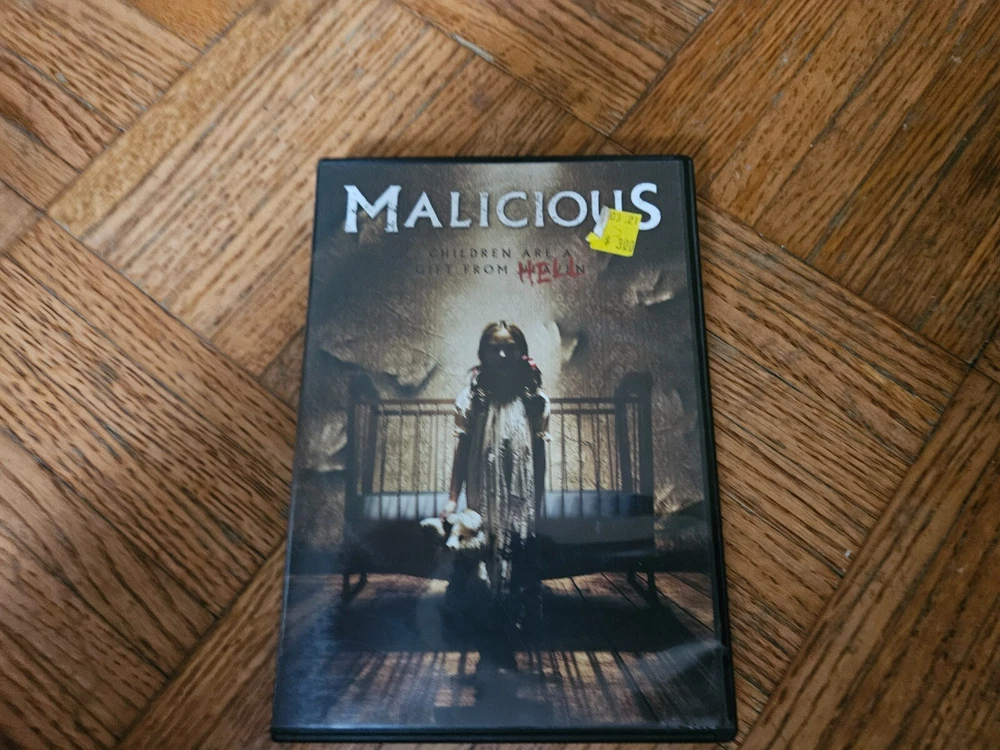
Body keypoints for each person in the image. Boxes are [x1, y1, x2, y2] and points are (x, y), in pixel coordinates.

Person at [440, 321, 550, 635]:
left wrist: (538, 500)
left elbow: (538, 455)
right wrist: (452, 498)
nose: (502, 355)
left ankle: (515, 611)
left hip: (519, 485)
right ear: (483, 353)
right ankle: (476, 609)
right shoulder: (471, 398)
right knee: (480, 538)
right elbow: (462, 451)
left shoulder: (535, 399)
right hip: (482, 480)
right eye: (494, 348)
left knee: (517, 541)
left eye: (509, 348)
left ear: (522, 353)